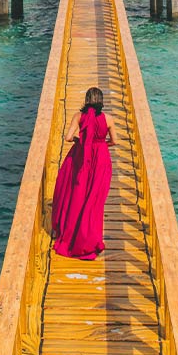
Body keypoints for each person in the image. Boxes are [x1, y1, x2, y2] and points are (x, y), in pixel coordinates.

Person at [51, 86, 117, 260]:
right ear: (101, 101)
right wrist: (101, 144)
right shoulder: (108, 119)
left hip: (82, 158)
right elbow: (115, 141)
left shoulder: (79, 117)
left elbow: (68, 137)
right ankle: (91, 239)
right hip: (101, 160)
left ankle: (72, 236)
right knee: (94, 201)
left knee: (77, 195)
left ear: (87, 100)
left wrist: (82, 141)